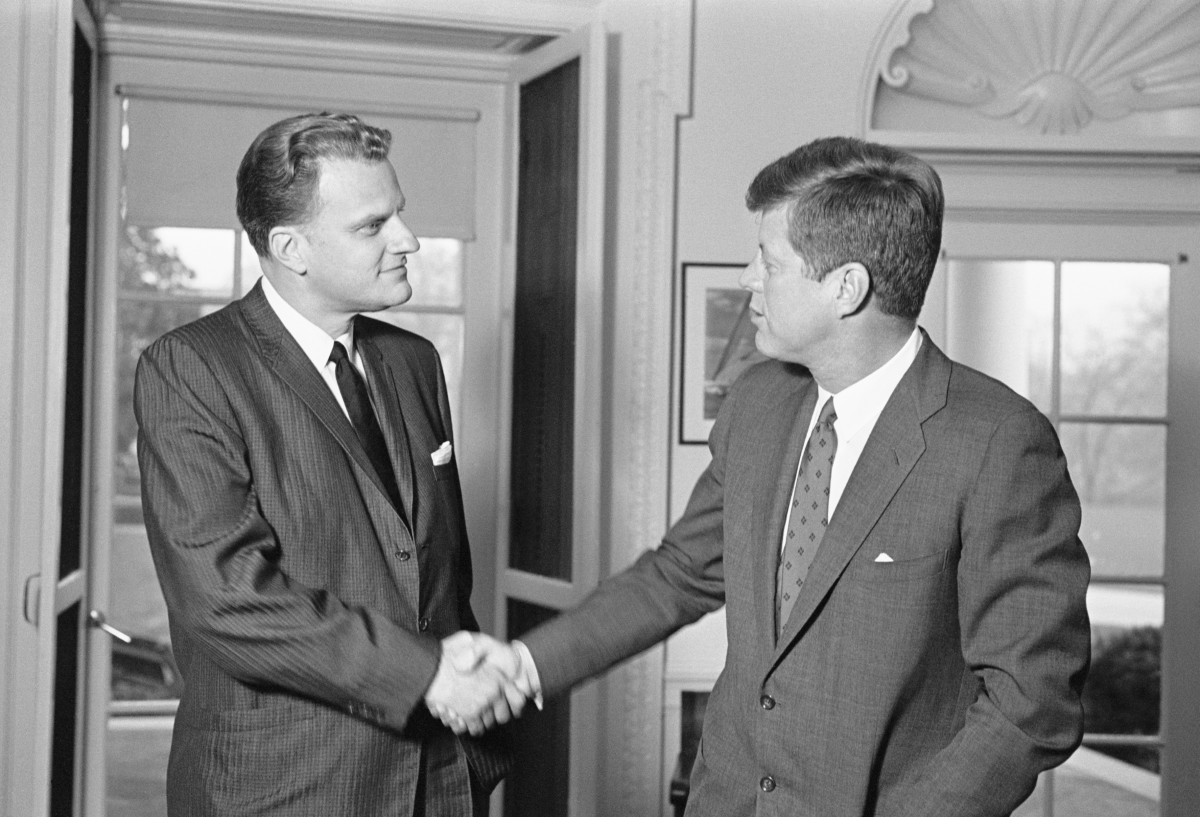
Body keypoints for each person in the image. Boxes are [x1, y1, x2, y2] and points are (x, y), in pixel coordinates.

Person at [460, 136, 1092, 816]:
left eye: (768, 260)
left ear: (845, 287)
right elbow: (677, 574)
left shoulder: (999, 440)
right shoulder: (758, 402)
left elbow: (1033, 702)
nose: (746, 278)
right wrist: (525, 666)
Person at [135, 112, 522, 817]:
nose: (408, 239)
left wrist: (469, 720)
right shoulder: (192, 368)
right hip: (284, 788)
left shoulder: (414, 362)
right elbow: (226, 598)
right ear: (291, 247)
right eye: (374, 225)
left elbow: (432, 569)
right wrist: (427, 673)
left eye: (399, 213)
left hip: (437, 778)